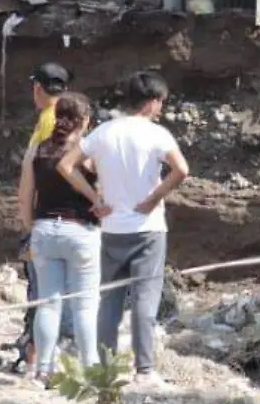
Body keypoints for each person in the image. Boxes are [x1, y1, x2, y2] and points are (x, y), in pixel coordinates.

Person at [59, 71, 188, 382]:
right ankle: (144, 369)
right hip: (148, 228)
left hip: (112, 228)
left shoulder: (103, 132)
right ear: (152, 102)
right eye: (161, 103)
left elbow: (65, 166)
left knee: (109, 301)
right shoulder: (157, 134)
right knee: (145, 298)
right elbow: (181, 169)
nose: (161, 109)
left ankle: (106, 368)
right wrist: (154, 198)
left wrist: (95, 197)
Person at [17, 93, 102, 381]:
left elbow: (24, 196)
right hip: (80, 230)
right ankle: (90, 368)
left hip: (44, 228)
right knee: (85, 305)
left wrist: (32, 227)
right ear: (86, 121)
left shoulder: (37, 151)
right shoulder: (87, 153)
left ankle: (44, 369)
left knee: (48, 304)